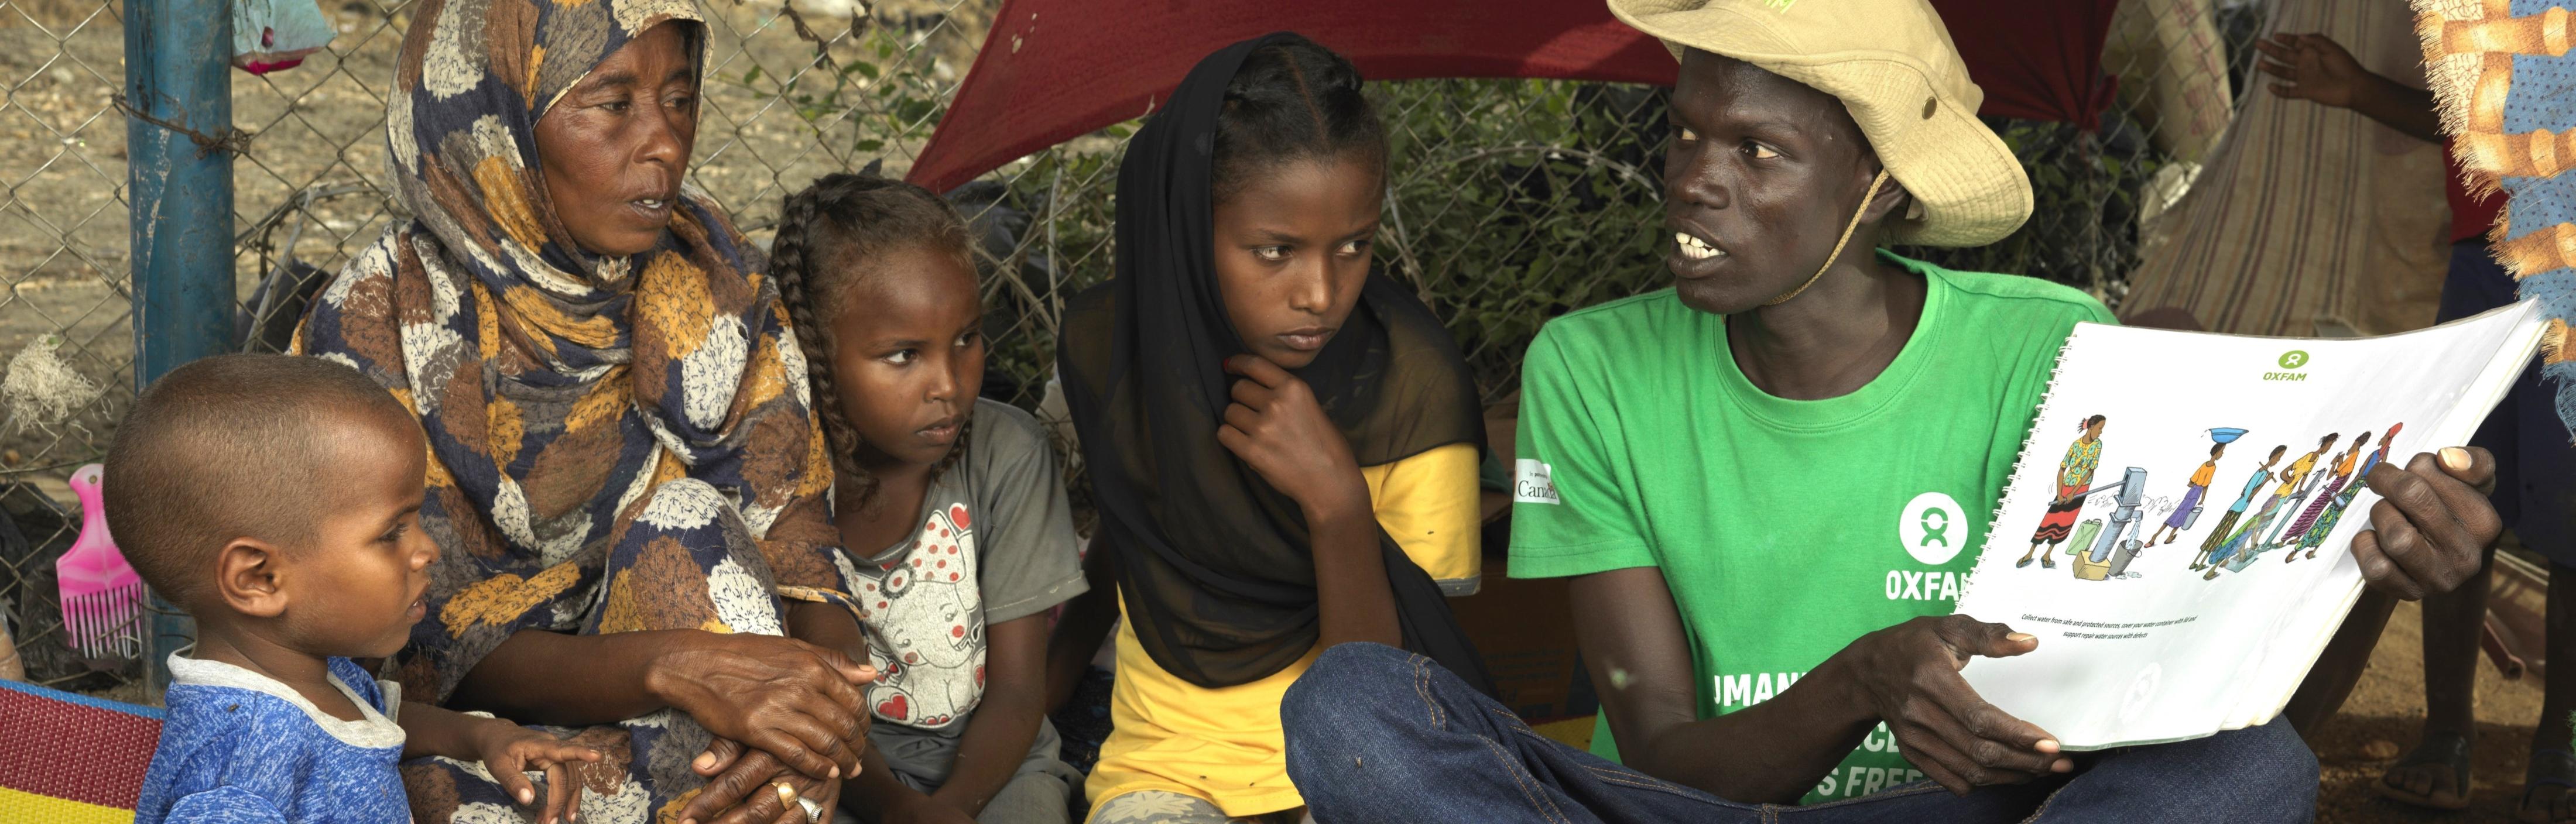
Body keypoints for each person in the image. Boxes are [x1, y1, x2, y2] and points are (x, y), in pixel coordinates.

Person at [1280, 0, 2503, 820]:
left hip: (1964, 805)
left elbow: (2184, 701)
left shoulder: (2050, 346)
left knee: (2252, 767)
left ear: (1880, 193)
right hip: (1689, 805)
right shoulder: (1591, 367)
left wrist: (2365, 570)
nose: (1694, 174)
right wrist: (1863, 678)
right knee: (1351, 711)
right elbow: (1657, 746)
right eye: (1688, 131)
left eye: (1758, 150)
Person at [296, 1, 879, 820]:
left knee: (687, 521)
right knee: (430, 799)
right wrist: (676, 667)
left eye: (679, 98)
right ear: (496, 119)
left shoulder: (716, 287)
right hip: (478, 744)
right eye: (612, 104)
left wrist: (819, 728)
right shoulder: (383, 324)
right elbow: (428, 639)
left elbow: (800, 554)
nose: (665, 143)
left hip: (712, 741)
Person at [1049, 33, 1489, 824]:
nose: (1321, 293)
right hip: (1164, 774)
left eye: (1354, 247)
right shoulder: (1111, 343)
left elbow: (1395, 707)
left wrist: (1337, 506)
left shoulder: (1411, 392)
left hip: (1356, 780)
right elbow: (1138, 532)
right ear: (1186, 227)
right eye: (1275, 252)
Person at [2261, 29, 2576, 817]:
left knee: (2574, 513)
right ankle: (2448, 733)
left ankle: (2558, 746)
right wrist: (2364, 90)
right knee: (2455, 476)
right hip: (2485, 258)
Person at [117, 355, 600, 824]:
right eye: (392, 533)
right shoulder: (244, 766)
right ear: (259, 580)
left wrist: (483, 735)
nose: (427, 550)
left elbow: (373, 720)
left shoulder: (311, 673)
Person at [770, 173, 1090, 823]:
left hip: (995, 771)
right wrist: (894, 808)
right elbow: (817, 711)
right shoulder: (776, 476)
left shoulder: (1009, 455)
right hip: (842, 773)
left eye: (966, 339)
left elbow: (1019, 689)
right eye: (903, 354)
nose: (947, 383)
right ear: (819, 354)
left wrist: (951, 807)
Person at [2298, 424, 2403, 561]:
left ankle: (2308, 546)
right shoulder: (2377, 455)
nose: (2381, 439)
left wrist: (2339, 493)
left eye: (2384, 437)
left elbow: (2358, 477)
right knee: (2333, 518)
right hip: (2353, 491)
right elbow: (2371, 472)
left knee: (2329, 516)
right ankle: (2312, 548)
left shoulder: (2376, 454)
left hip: (2350, 491)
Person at [2017, 416, 2107, 569]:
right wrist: (2060, 494)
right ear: (2091, 427)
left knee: (2065, 521)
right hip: (2066, 485)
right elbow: (2062, 469)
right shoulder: (2076, 445)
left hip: (2082, 489)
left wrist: (2074, 493)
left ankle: (2048, 554)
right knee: (2050, 519)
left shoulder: (2098, 445)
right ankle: (2030, 552)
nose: (2100, 432)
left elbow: (2089, 472)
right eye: (2099, 428)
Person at [2280, 431, 2372, 561]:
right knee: (2313, 513)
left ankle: (2296, 539)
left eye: (2353, 444)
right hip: (2331, 490)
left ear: (2357, 444)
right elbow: (2334, 474)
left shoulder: (2353, 457)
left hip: (2332, 491)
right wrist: (2337, 462)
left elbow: (2335, 476)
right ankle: (2296, 538)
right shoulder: (2351, 457)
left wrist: (2336, 463)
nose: (2351, 446)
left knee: (2313, 513)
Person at [2196, 445, 2284, 577]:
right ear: (2273, 456)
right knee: (2221, 535)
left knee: (2221, 535)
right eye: (2278, 457)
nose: (2278, 460)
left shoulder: (2263, 472)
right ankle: (2203, 563)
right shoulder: (2261, 473)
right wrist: (2266, 481)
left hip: (2239, 507)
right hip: (2238, 508)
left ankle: (2201, 562)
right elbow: (2249, 494)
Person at [2146, 442, 2222, 547]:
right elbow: (2206, 486)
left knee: (2178, 512)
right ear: (2217, 453)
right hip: (2196, 494)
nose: (2222, 454)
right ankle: (2170, 536)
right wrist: (2203, 499)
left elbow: (2191, 482)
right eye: (2222, 452)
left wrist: (2196, 486)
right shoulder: (2213, 467)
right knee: (2183, 515)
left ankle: (2155, 536)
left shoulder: (2204, 464)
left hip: (2191, 492)